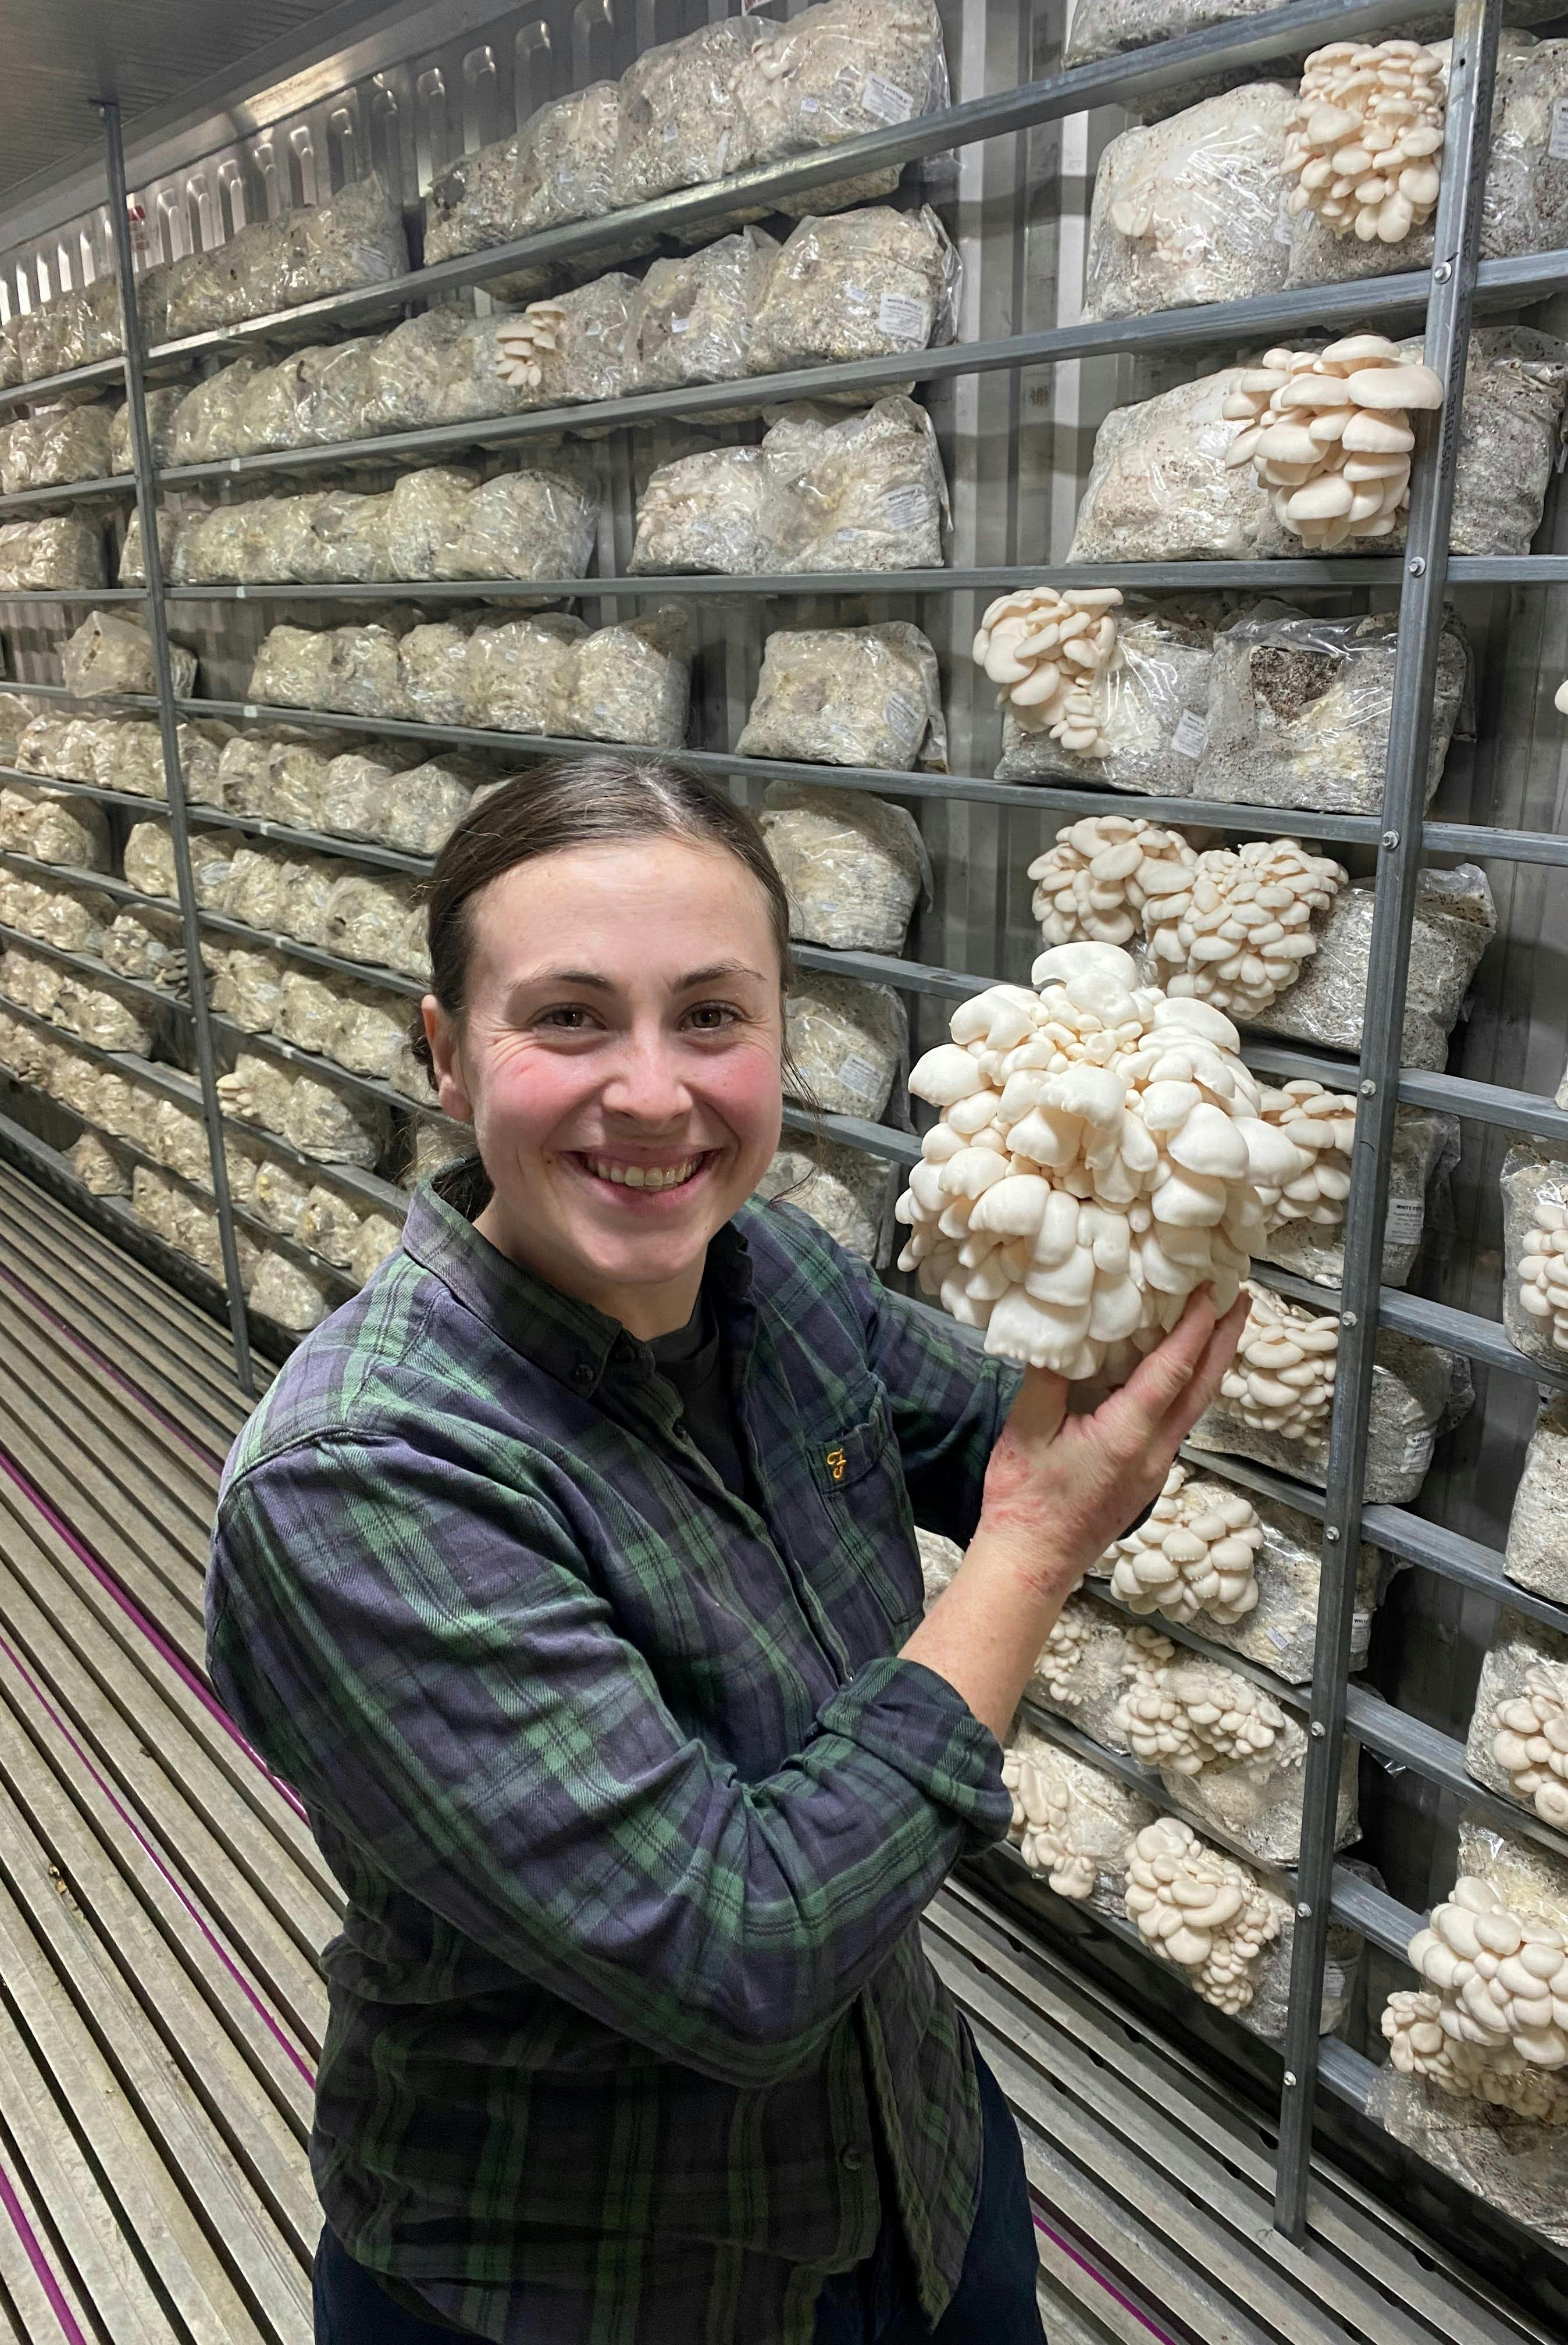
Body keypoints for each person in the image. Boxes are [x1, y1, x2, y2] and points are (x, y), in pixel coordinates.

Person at [205, 754, 1247, 2345]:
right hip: (590, 2280)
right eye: (568, 1017)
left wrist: (1134, 1238)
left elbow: (1016, 1447)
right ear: (444, 1056)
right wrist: (1036, 1545)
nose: (652, 1091)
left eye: (711, 1016)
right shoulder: (361, 1482)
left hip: (913, 2158)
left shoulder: (777, 1281)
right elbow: (741, 1950)